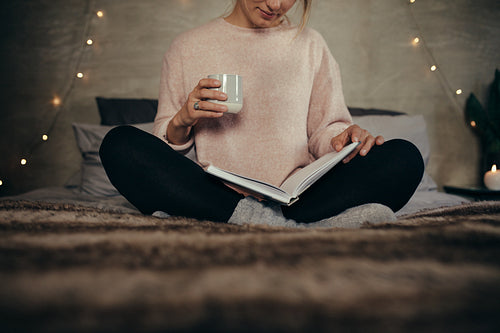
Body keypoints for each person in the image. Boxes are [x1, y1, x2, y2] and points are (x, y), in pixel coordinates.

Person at [99, 0, 424, 224]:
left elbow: (325, 130)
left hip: (303, 197)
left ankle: (260, 221)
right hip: (214, 193)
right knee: (120, 145)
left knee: (404, 157)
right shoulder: (186, 46)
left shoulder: (311, 44)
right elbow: (163, 146)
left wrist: (345, 138)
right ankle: (272, 222)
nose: (277, 4)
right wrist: (183, 119)